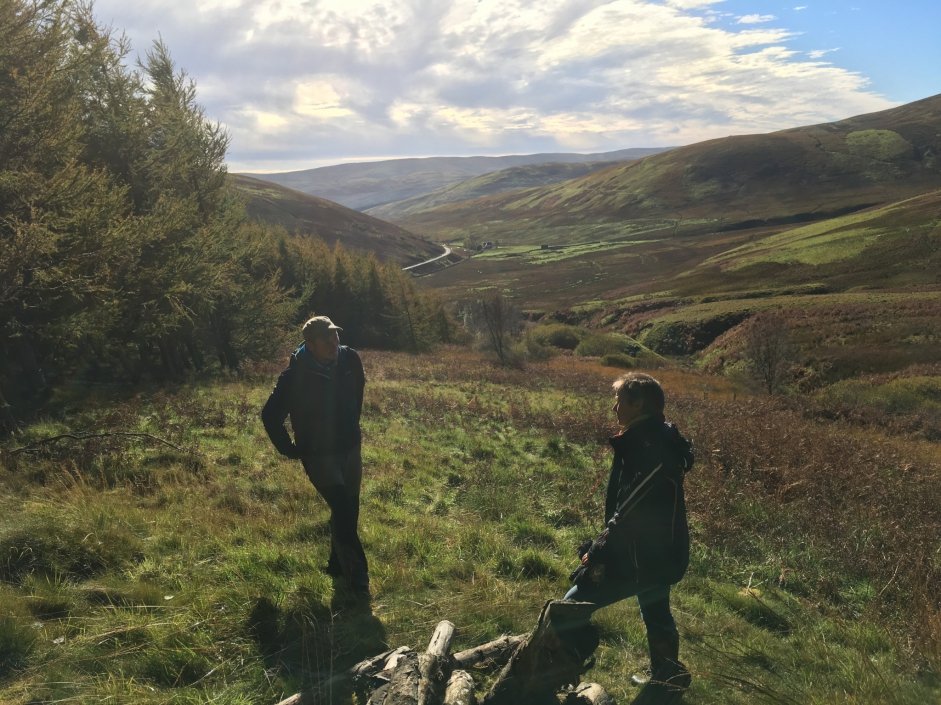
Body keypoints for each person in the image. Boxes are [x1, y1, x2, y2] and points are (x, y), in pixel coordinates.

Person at [564, 372, 694, 690]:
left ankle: (554, 674)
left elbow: (630, 512)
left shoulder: (650, 448)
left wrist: (597, 550)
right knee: (656, 610)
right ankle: (667, 679)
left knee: (568, 608)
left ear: (638, 405)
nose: (614, 407)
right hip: (658, 554)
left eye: (619, 400)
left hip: (643, 558)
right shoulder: (653, 438)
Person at [262, 315, 369, 594]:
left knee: (350, 508)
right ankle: (358, 582)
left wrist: (351, 427)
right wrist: (290, 449)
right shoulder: (294, 377)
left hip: (349, 448)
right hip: (319, 455)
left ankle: (336, 564)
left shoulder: (350, 360)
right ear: (310, 344)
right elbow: (270, 416)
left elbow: (358, 392)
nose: (334, 342)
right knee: (344, 510)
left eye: (335, 335)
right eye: (326, 339)